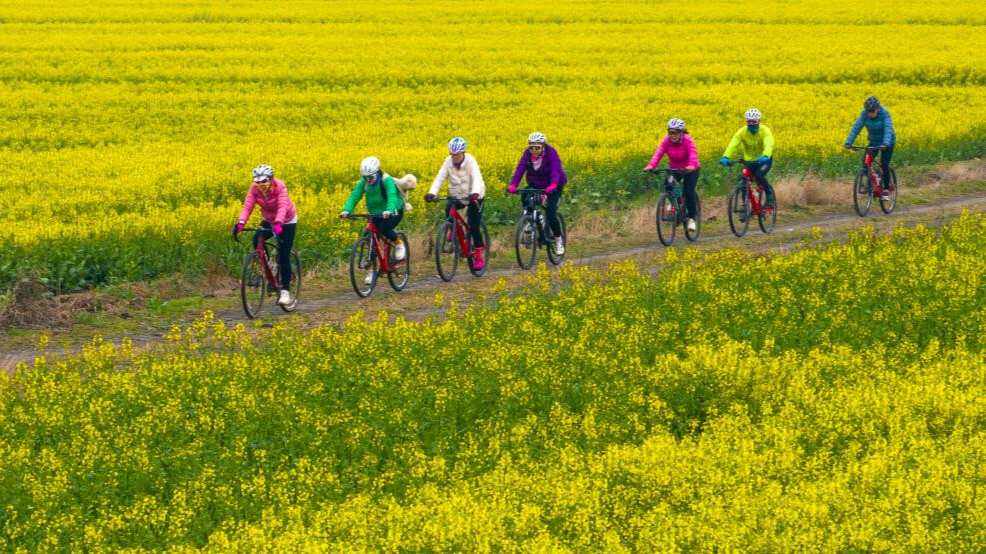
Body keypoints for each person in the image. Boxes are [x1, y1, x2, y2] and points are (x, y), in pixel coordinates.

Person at [232, 164, 298, 306]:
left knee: (284, 253)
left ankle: (285, 291)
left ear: (271, 179)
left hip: (287, 220)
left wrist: (279, 223)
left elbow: (283, 206)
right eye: (257, 181)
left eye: (264, 181)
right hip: (269, 219)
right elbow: (248, 206)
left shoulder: (280, 187)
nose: (260, 185)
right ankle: (268, 264)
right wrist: (241, 223)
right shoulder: (254, 189)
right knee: (257, 239)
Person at [339, 157, 406, 284]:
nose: (368, 180)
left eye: (371, 177)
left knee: (385, 229)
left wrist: (389, 210)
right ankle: (371, 270)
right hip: (375, 213)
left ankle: (398, 243)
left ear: (377, 172)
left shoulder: (387, 180)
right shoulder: (364, 182)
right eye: (365, 177)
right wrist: (346, 210)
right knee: (369, 237)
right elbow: (355, 195)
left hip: (394, 210)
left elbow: (392, 196)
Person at [424, 137, 488, 270]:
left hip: (474, 196)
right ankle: (453, 229)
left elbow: (477, 177)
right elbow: (440, 177)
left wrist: (475, 193)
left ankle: (479, 257)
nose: (454, 157)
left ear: (463, 152)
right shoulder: (448, 162)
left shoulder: (470, 161)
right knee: (449, 208)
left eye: (457, 154)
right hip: (458, 195)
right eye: (452, 154)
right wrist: (432, 193)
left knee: (474, 226)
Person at [507, 132, 568, 254]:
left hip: (554, 185)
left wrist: (554, 184)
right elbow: (520, 168)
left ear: (543, 146)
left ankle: (558, 240)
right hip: (536, 184)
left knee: (551, 213)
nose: (534, 150)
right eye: (531, 147)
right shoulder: (527, 154)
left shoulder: (551, 153)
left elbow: (555, 170)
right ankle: (530, 219)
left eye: (537, 147)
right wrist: (513, 184)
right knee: (525, 194)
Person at [644, 118, 701, 233]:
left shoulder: (688, 140)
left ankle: (691, 219)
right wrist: (651, 165)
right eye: (670, 132)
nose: (672, 135)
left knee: (688, 191)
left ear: (681, 132)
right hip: (674, 168)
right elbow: (658, 153)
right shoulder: (666, 141)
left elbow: (693, 154)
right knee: (668, 184)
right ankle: (674, 202)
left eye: (675, 133)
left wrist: (691, 166)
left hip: (690, 168)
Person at [844, 96, 896, 200]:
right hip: (874, 141)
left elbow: (888, 129)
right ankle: (870, 184)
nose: (870, 114)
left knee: (884, 163)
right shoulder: (864, 115)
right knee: (866, 161)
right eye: (868, 111)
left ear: (877, 108)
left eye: (872, 111)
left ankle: (886, 188)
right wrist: (849, 142)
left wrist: (885, 143)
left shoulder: (885, 114)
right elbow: (856, 127)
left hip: (888, 142)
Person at [720, 108, 776, 205]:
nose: (751, 124)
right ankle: (745, 207)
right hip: (749, 161)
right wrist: (725, 157)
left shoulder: (765, 131)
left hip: (764, 160)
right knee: (742, 179)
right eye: (749, 122)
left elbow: (769, 144)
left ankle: (769, 194)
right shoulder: (742, 132)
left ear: (759, 121)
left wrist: (766, 155)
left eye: (754, 122)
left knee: (759, 175)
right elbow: (733, 144)